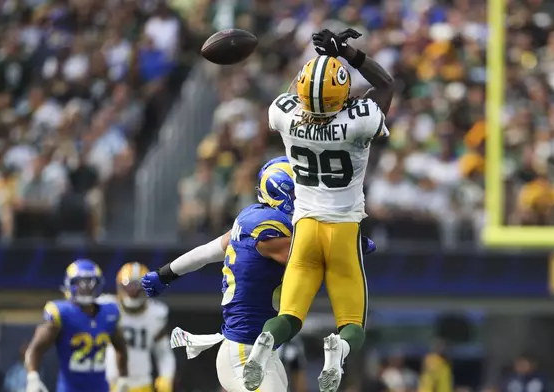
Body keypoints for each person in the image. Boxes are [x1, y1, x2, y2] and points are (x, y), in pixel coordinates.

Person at [141, 157, 377, 392]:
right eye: (301, 194)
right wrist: (347, 243)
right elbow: (309, 257)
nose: (309, 201)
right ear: (283, 193)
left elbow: (205, 253)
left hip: (261, 351)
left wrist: (165, 274)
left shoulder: (250, 220)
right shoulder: (270, 230)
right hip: (244, 351)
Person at [243, 28, 393, 392]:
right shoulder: (358, 121)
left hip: (305, 228)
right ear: (342, 92)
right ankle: (336, 350)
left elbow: (297, 90)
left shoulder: (283, 114)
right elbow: (385, 84)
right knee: (352, 325)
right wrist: (346, 54)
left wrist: (320, 65)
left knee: (289, 317)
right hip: (342, 231)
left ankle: (262, 347)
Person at [24, 259, 130, 392]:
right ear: (69, 284)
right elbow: (35, 348)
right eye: (80, 283)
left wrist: (123, 378)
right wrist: (32, 377)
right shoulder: (62, 313)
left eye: (90, 283)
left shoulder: (109, 313)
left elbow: (121, 346)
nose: (86, 288)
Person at [101, 262, 176, 392]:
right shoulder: (108, 307)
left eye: (137, 287)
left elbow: (163, 352)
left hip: (142, 384)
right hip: (109, 382)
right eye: (129, 286)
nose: (133, 292)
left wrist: (166, 376)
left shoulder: (156, 313)